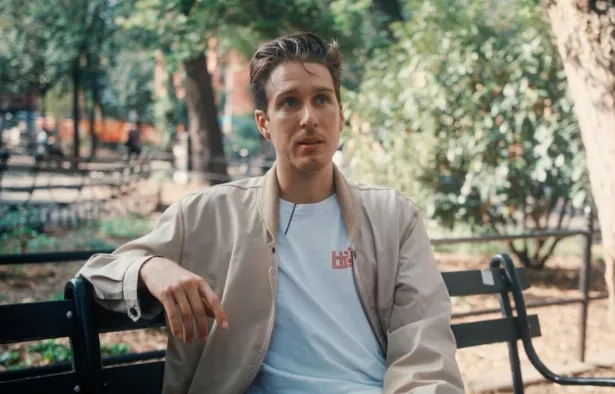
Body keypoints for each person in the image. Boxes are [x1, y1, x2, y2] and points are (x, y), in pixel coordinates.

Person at [77, 32, 464, 394]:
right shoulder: (208, 215)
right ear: (264, 123)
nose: (309, 117)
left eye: (322, 99)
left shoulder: (393, 217)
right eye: (290, 102)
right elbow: (97, 274)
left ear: (341, 116)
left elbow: (424, 345)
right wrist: (151, 268)